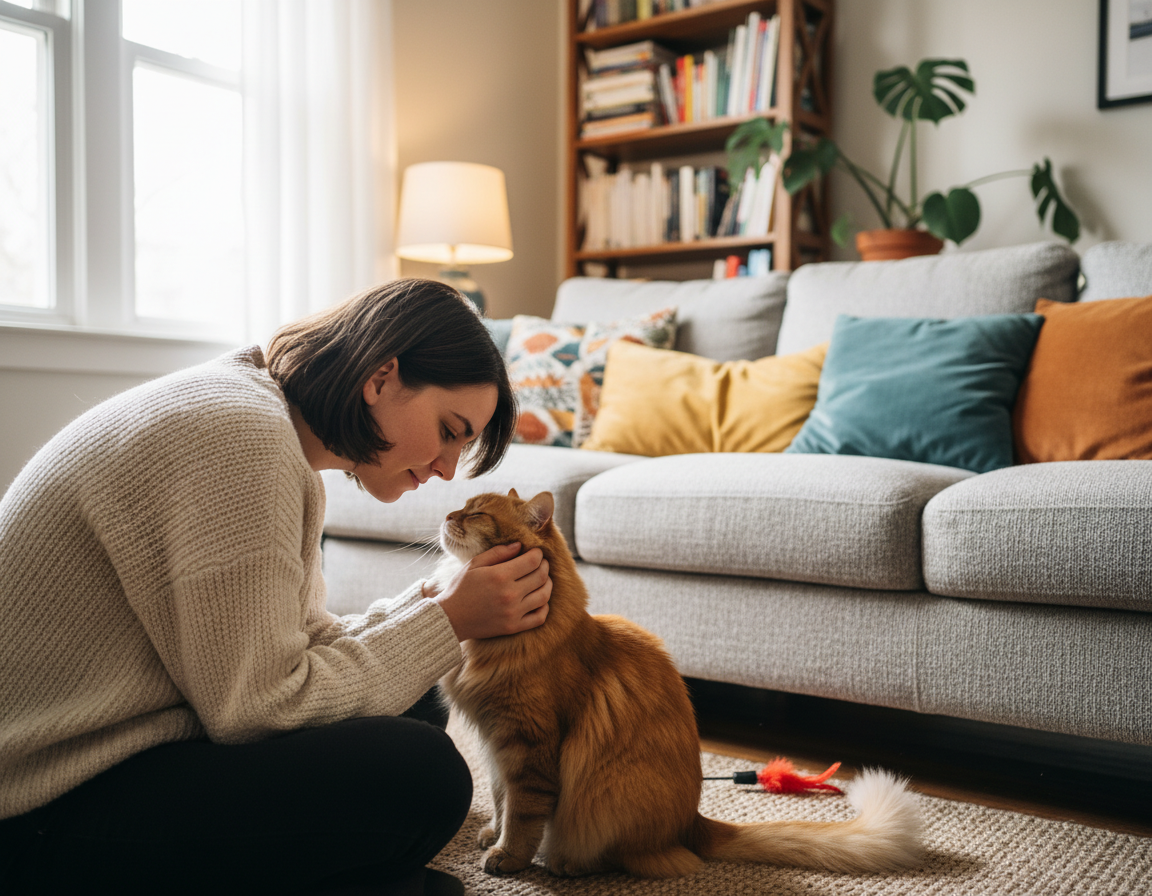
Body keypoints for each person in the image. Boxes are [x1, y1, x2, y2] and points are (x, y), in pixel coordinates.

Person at [0, 279, 552, 895]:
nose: (448, 469)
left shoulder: (269, 427)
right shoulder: (242, 442)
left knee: (419, 697)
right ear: (381, 378)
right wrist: (448, 621)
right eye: (449, 431)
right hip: (38, 812)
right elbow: (260, 710)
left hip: (137, 737)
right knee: (425, 776)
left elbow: (300, 643)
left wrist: (435, 603)